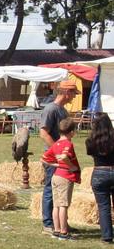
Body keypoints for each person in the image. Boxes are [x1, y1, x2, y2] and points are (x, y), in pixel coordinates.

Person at [39, 82, 78, 232]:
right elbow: (44, 133)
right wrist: (57, 152)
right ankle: (48, 223)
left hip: (61, 158)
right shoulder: (51, 109)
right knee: (50, 189)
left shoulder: (62, 110)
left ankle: (61, 224)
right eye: (74, 93)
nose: (74, 96)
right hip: (54, 159)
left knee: (61, 192)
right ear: (66, 92)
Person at [42, 117, 81, 240]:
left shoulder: (56, 144)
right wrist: (71, 167)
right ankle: (64, 232)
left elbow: (43, 158)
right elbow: (64, 156)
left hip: (56, 175)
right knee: (63, 205)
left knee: (56, 205)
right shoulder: (67, 143)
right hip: (65, 176)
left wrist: (56, 165)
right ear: (71, 132)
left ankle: (56, 230)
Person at [86, 113, 114, 245]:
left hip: (99, 171)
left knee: (103, 207)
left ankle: (107, 236)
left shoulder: (91, 141)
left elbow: (90, 152)